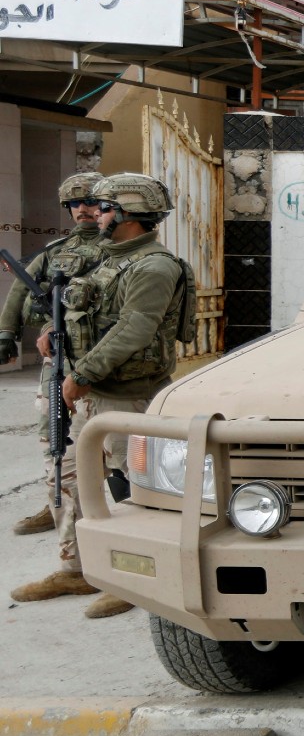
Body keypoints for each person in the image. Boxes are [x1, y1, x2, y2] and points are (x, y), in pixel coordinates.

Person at [11, 173, 194, 619]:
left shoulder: (153, 266)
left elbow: (135, 329)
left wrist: (83, 374)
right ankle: (76, 568)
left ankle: (136, 578)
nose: (95, 214)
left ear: (129, 214)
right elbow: (82, 310)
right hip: (89, 392)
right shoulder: (109, 259)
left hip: (125, 396)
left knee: (137, 490)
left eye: (105, 207)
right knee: (69, 479)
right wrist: (52, 330)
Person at [0, 172, 107, 537]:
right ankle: (57, 500)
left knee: (115, 441)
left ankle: (121, 507)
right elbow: (21, 292)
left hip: (106, 359)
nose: (84, 209)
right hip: (61, 357)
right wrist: (9, 334)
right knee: (54, 433)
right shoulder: (55, 252)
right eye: (75, 203)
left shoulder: (121, 250)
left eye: (91, 201)